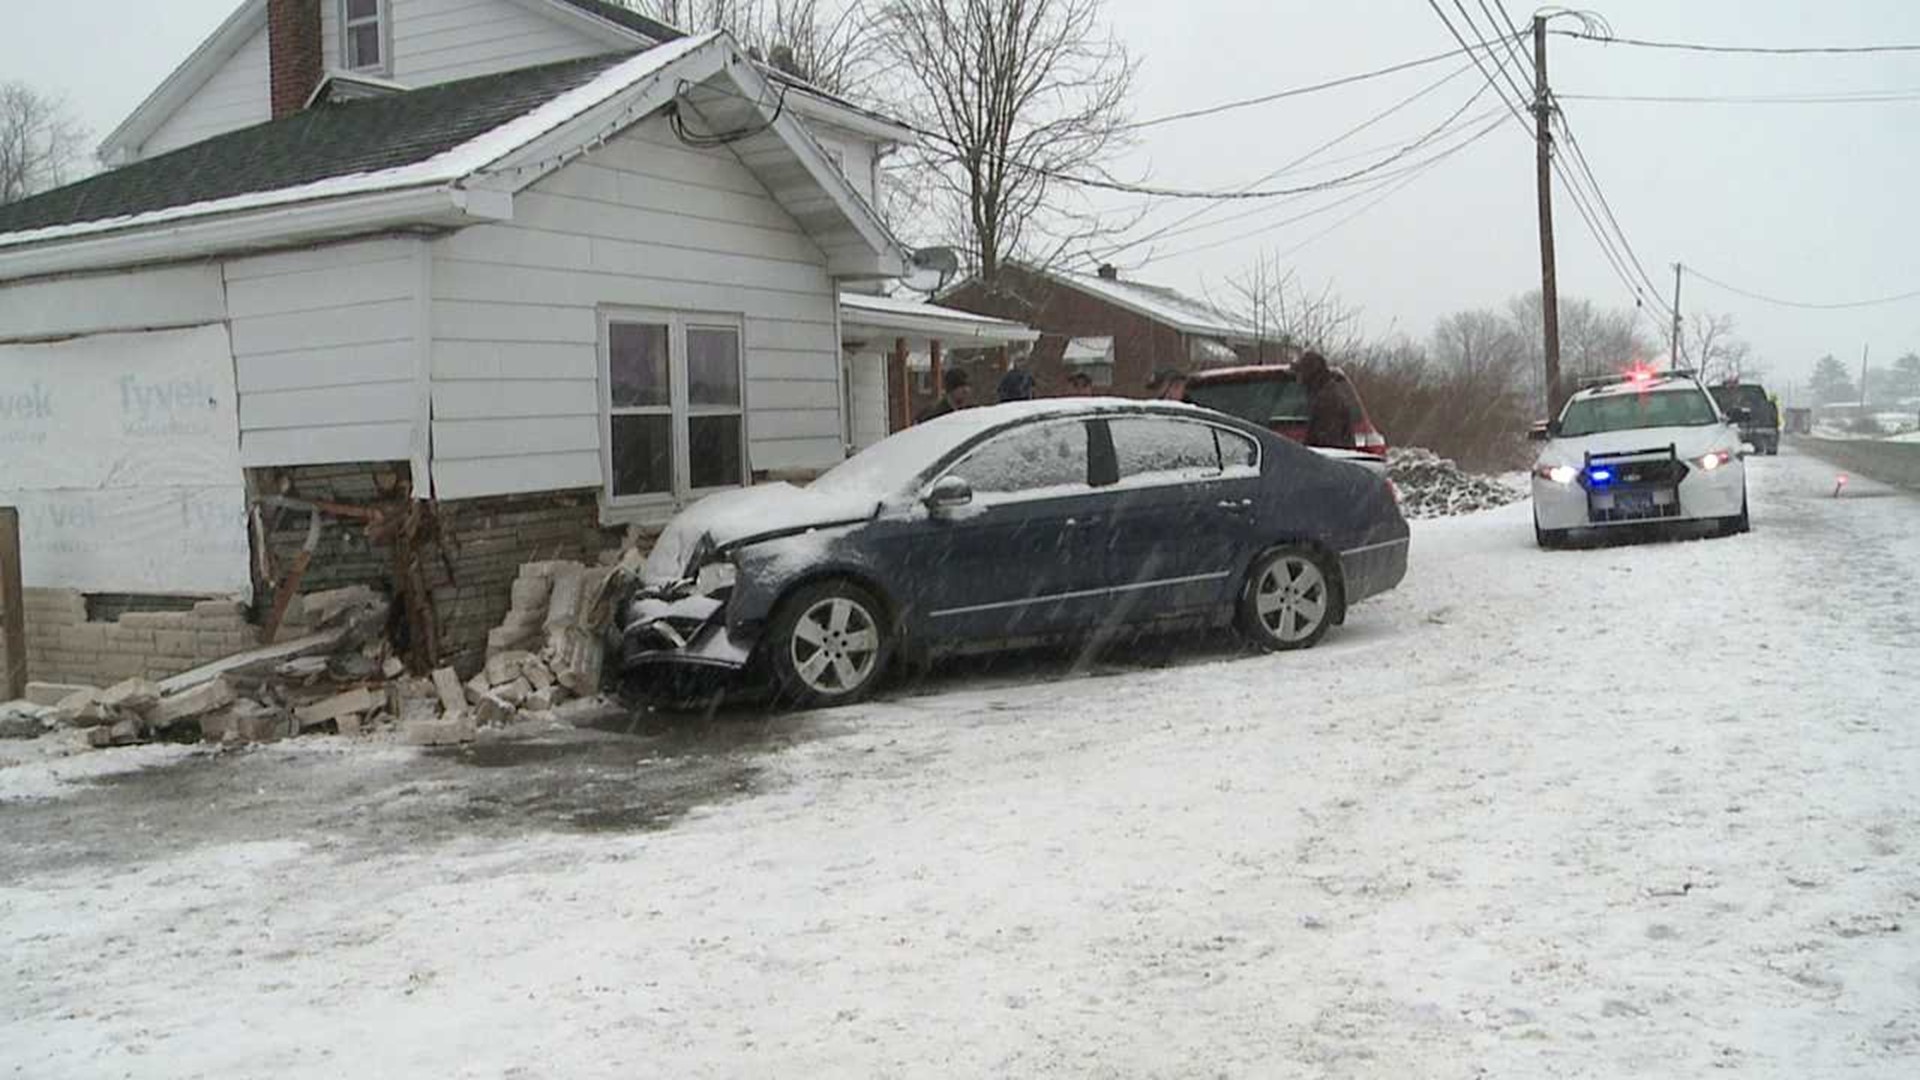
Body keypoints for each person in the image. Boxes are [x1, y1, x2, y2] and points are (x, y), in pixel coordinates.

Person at [1296, 350, 1357, 448]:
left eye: (1300, 372)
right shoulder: (1324, 393)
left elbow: (1328, 445)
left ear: (1310, 373)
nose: (1298, 378)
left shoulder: (1328, 400)